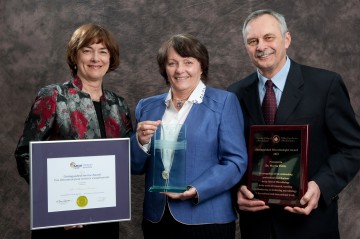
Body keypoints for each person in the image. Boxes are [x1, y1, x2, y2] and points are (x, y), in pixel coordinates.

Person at [227, 9, 360, 239]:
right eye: (252, 41)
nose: (261, 46)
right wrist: (236, 191)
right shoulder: (234, 94)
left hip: (310, 224)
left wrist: (320, 185)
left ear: (286, 39)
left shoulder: (325, 85)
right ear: (246, 47)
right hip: (257, 227)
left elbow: (352, 148)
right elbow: (229, 154)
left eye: (269, 37)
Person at [14, 23, 133, 239]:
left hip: (105, 217)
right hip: (62, 222)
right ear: (75, 56)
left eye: (103, 51)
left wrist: (141, 141)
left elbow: (124, 161)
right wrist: (60, 206)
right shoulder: (54, 96)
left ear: (110, 58)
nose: (96, 58)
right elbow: (25, 154)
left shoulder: (118, 105)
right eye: (87, 50)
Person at [130, 33, 248, 239]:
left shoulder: (224, 102)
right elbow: (135, 166)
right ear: (164, 69)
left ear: (201, 67)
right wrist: (140, 142)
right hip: (157, 219)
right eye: (172, 63)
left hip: (206, 217)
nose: (180, 70)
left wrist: (195, 189)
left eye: (188, 62)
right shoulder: (146, 106)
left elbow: (235, 162)